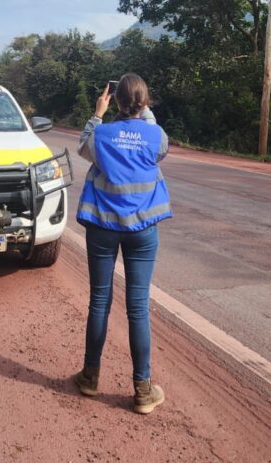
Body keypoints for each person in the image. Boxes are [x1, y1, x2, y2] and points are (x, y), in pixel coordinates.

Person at [74, 73, 172, 414]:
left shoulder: (101, 135)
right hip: (143, 229)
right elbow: (156, 145)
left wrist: (98, 113)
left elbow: (82, 145)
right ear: (145, 102)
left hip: (103, 226)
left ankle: (89, 377)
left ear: (114, 101)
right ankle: (143, 390)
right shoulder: (155, 134)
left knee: (99, 301)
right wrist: (142, 112)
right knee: (138, 307)